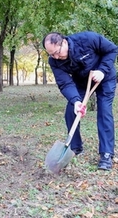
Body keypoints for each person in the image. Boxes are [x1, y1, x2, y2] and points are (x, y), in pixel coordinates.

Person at [42, 31, 117, 170]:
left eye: (57, 52)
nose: (56, 57)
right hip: (82, 83)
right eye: (51, 54)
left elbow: (112, 49)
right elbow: (65, 83)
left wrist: (102, 70)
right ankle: (75, 148)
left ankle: (106, 154)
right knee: (71, 111)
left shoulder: (88, 39)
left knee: (104, 111)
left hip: (105, 77)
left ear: (64, 42)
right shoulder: (54, 61)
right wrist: (76, 101)